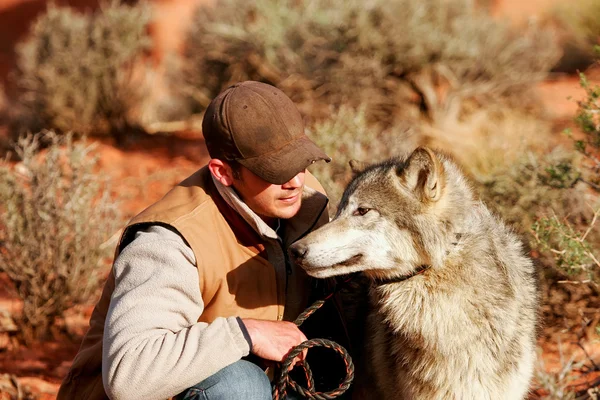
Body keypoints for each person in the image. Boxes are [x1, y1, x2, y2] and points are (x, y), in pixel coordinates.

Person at [57, 81, 349, 400]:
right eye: (274, 171)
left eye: (300, 163)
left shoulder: (305, 203)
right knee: (240, 386)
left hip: (276, 388)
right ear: (223, 173)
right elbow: (128, 375)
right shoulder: (169, 242)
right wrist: (245, 334)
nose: (294, 182)